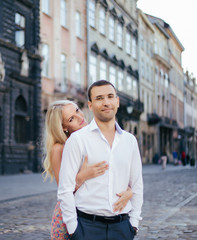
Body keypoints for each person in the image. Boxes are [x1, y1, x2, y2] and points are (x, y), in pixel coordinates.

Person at [57, 80, 143, 240]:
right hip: (87, 227)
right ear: (90, 105)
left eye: (110, 96)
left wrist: (134, 224)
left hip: (122, 228)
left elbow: (137, 185)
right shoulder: (77, 140)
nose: (106, 102)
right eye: (99, 98)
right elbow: (64, 189)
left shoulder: (130, 141)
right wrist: (73, 229)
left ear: (117, 101)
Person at [43, 100, 133, 240]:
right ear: (63, 127)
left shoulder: (92, 139)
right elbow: (64, 190)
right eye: (71, 119)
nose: (80, 117)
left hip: (95, 215)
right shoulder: (59, 148)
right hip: (70, 215)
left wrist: (129, 191)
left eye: (77, 110)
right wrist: (83, 176)